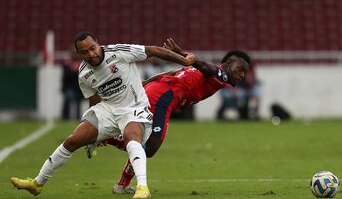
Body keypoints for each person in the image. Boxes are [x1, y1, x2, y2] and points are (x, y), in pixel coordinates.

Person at [10, 32, 197, 199]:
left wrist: (184, 61)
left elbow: (154, 50)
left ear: (98, 43)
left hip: (134, 107)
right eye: (85, 52)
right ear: (79, 54)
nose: (91, 54)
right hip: (107, 109)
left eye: (93, 48)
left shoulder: (119, 52)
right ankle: (37, 184)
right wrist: (95, 130)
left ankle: (142, 188)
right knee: (72, 140)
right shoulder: (83, 73)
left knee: (133, 139)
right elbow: (94, 100)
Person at [87, 38, 251, 194]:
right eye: (240, 69)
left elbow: (172, 72)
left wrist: (144, 83)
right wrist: (192, 59)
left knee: (143, 144)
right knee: (149, 148)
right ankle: (103, 137)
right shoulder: (218, 73)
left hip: (157, 92)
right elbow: (210, 68)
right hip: (162, 98)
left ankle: (122, 184)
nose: (242, 74)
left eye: (245, 71)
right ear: (227, 64)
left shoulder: (200, 71)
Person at [61, 48, 84, 120]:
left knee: (79, 101)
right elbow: (65, 76)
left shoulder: (82, 63)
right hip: (70, 88)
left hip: (80, 88)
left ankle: (78, 117)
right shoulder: (67, 63)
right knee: (67, 99)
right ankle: (65, 117)